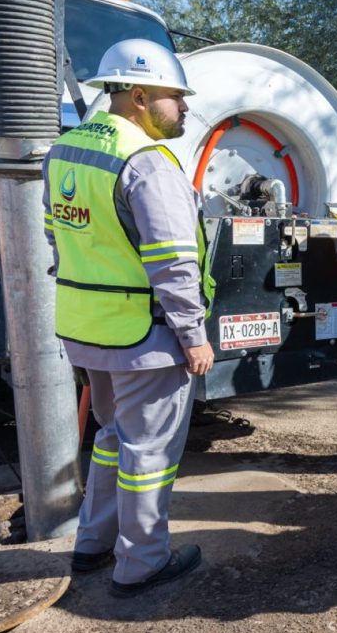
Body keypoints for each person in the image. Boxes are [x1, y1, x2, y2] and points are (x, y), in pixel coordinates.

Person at [44, 39, 212, 597]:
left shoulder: (66, 150)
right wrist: (193, 334)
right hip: (144, 336)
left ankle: (93, 543)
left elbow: (57, 237)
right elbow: (171, 262)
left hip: (86, 329)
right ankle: (141, 563)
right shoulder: (146, 162)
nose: (184, 108)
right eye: (175, 97)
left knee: (113, 437)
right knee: (150, 453)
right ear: (139, 96)